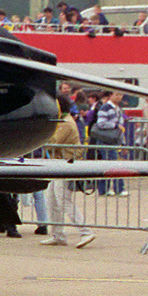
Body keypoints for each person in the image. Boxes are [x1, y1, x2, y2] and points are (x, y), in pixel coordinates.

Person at [42, 96, 94, 248]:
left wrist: (41, 133)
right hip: (58, 165)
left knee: (63, 199)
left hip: (66, 165)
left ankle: (86, 231)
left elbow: (52, 143)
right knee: (51, 199)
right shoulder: (61, 121)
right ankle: (57, 235)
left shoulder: (65, 123)